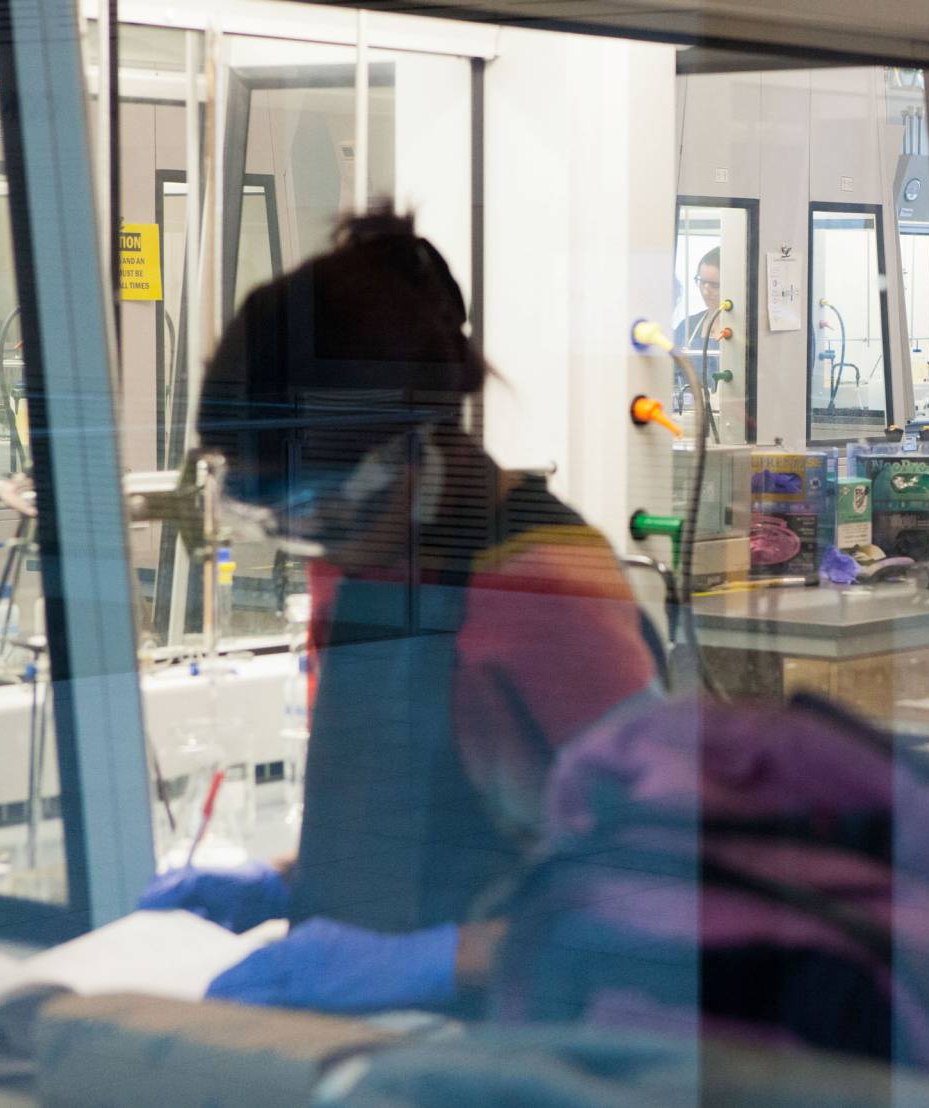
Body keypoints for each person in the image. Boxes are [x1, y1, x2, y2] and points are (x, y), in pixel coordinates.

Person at [140, 211, 662, 1013]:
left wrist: (439, 961)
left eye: (319, 512)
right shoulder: (356, 562)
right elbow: (424, 830)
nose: (317, 551)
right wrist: (291, 884)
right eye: (278, 522)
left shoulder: (544, 583)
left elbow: (670, 896)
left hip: (529, 1038)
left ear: (412, 452)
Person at [672, 247, 724, 397]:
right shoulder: (687, 327)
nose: (706, 291)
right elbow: (673, 377)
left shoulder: (742, 328)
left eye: (715, 285)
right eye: (702, 282)